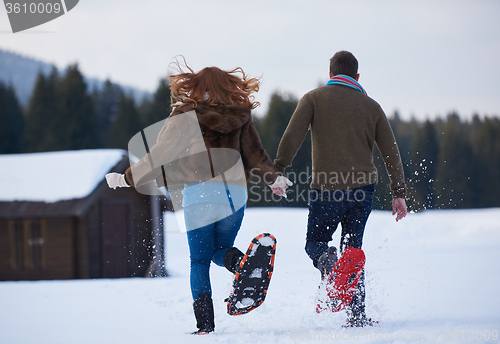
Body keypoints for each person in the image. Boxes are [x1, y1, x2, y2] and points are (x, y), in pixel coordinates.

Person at [106, 61, 288, 334]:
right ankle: (242, 264)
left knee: (200, 260)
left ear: (194, 86)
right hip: (235, 195)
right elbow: (255, 154)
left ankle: (205, 325)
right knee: (220, 249)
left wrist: (126, 178)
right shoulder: (241, 116)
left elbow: (160, 153)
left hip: (200, 193)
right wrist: (275, 178)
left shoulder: (186, 114)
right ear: (228, 86)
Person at [271, 51, 407, 327]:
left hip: (326, 187)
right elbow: (390, 152)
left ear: (331, 74)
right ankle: (357, 316)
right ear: (357, 77)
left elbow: (292, 135)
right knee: (352, 249)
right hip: (363, 190)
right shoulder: (372, 107)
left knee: (315, 243)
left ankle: (327, 262)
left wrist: (279, 170)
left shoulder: (313, 99)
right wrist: (399, 192)